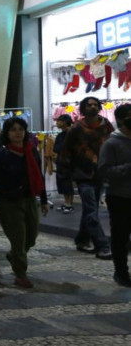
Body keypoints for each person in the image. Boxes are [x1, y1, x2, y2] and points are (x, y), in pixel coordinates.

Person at [0, 117, 49, 288]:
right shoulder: (2, 155)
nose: (17, 133)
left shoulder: (31, 151)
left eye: (20, 129)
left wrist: (43, 199)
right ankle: (21, 274)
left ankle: (14, 255)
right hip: (10, 202)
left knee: (31, 238)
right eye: (13, 130)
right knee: (18, 240)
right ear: (7, 133)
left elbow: (38, 176)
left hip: (29, 200)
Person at [64, 96, 114, 260]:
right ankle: (102, 246)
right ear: (83, 108)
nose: (92, 107)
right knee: (92, 210)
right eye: (88, 105)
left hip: (101, 173)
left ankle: (82, 239)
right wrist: (67, 174)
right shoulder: (77, 127)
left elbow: (112, 146)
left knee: (90, 209)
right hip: (83, 173)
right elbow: (67, 150)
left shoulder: (106, 125)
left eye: (94, 104)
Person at [98, 103, 131, 287]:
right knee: (120, 236)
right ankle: (121, 272)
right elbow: (103, 171)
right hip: (120, 197)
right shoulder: (111, 143)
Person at [53, 114, 75, 213]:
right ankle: (66, 203)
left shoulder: (72, 133)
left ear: (65, 122)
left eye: (59, 121)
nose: (57, 123)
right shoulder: (60, 135)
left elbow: (69, 148)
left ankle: (69, 204)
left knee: (67, 183)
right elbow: (56, 148)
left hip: (69, 162)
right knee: (63, 183)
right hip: (62, 162)